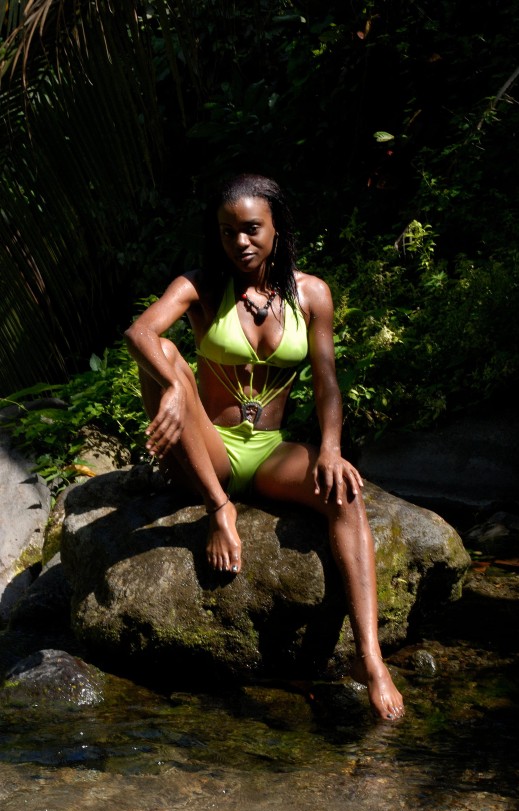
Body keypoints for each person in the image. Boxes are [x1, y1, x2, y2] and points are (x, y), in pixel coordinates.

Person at [125, 173, 404, 722]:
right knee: (166, 357)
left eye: (251, 228)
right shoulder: (202, 286)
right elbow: (141, 334)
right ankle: (220, 508)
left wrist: (330, 448)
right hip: (206, 450)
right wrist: (177, 389)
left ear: (277, 228)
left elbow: (326, 382)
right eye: (227, 232)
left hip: (270, 449)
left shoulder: (312, 294)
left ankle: (370, 659)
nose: (240, 242)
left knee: (344, 494)